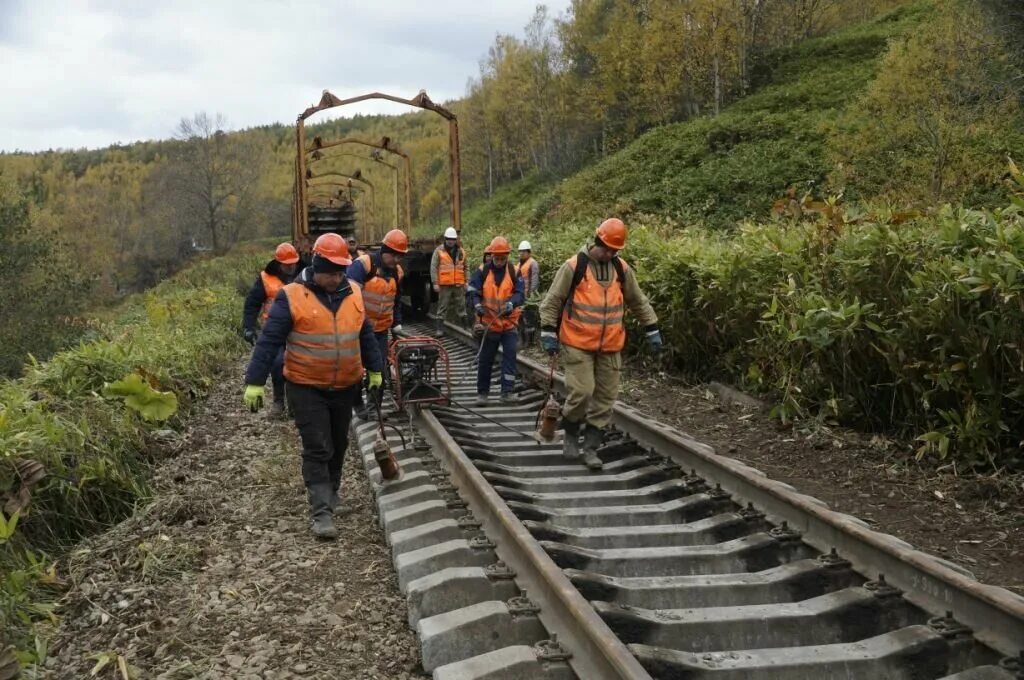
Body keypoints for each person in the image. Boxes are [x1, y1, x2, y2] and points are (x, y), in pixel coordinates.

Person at [243, 233, 383, 539]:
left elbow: (366, 334)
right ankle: (321, 512)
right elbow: (269, 341)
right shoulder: (291, 296)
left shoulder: (355, 292)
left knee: (338, 443)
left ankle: (332, 493)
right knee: (317, 446)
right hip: (306, 386)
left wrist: (375, 370)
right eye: (330, 272)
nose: (336, 278)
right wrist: (254, 382)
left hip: (345, 385)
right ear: (317, 266)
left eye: (340, 271)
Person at [539, 218, 662, 471]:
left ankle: (591, 448)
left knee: (605, 399)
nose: (610, 253)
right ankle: (571, 434)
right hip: (577, 342)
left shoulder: (621, 270)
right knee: (583, 392)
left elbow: (638, 301)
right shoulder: (574, 266)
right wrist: (548, 331)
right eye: (607, 248)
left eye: (615, 250)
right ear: (597, 242)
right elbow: (553, 301)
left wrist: (652, 327)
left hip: (610, 345)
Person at [347, 229, 407, 419]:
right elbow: (348, 293)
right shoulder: (363, 265)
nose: (396, 259)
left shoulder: (397, 272)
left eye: (400, 256)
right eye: (394, 255)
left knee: (378, 369)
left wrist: (397, 322)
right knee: (355, 371)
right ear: (385, 250)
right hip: (356, 329)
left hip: (380, 330)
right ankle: (357, 404)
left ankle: (374, 408)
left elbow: (396, 299)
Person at [242, 242, 301, 416]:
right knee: (277, 364)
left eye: (293, 263)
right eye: (287, 264)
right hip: (274, 329)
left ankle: (295, 403)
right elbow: (252, 303)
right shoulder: (265, 278)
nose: (291, 267)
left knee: (297, 364)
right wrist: (248, 327)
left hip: (299, 328)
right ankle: (278, 401)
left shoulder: (304, 274)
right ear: (278, 263)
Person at [467, 236, 524, 406]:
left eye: (502, 258)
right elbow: (471, 292)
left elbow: (520, 293)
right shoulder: (482, 271)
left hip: (509, 325)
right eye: (496, 258)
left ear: (507, 256)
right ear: (491, 255)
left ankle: (507, 392)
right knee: (486, 359)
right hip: (489, 324)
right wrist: (477, 304)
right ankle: (482, 393)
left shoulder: (514, 272)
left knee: (510, 357)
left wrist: (512, 303)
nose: (499, 261)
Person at [430, 226, 468, 336]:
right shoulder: (439, 251)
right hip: (445, 285)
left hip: (458, 284)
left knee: (462, 306)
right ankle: (439, 329)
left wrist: (466, 281)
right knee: (442, 306)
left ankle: (466, 327)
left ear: (456, 240)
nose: (451, 241)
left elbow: (466, 267)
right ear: (445, 239)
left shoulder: (461, 252)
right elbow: (433, 267)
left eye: (453, 239)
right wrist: (435, 283)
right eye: (449, 239)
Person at [515, 240, 541, 345]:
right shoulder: (519, 264)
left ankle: (530, 342)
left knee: (529, 320)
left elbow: (534, 281)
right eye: (520, 251)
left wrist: (530, 296)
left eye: (524, 251)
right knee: (520, 318)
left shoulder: (533, 263)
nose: (521, 253)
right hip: (520, 296)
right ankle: (523, 340)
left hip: (529, 298)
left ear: (529, 252)